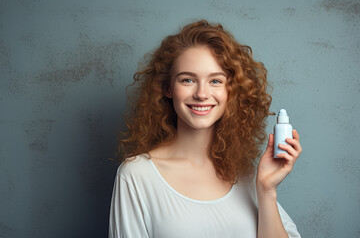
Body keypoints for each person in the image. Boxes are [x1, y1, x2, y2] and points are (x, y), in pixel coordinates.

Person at [108, 20, 302, 238]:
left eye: (215, 81)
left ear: (231, 91)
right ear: (168, 88)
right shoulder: (137, 175)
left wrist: (266, 189)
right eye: (188, 79)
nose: (201, 93)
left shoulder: (245, 175)